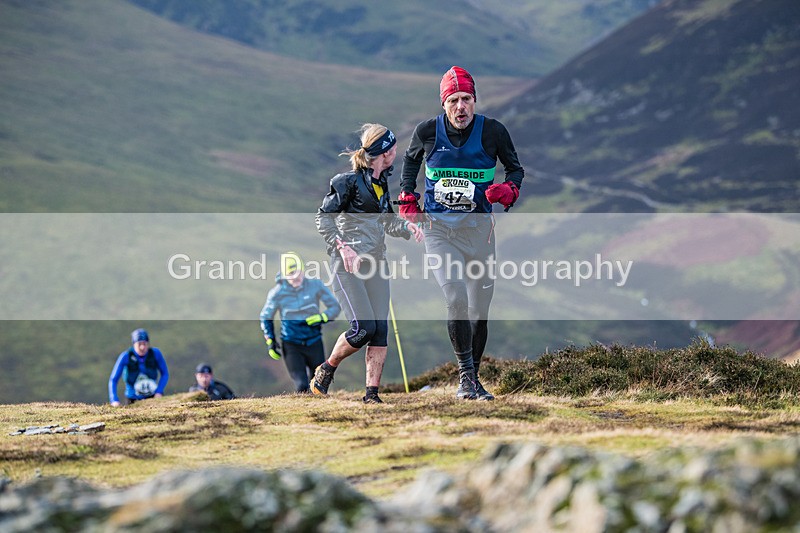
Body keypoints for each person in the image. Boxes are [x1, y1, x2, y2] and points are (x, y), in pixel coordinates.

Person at [398, 66, 525, 401]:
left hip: (479, 233)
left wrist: (508, 190)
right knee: (455, 297)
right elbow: (410, 163)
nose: (460, 107)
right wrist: (408, 197)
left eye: (466, 99)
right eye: (453, 100)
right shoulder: (427, 131)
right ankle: (466, 380)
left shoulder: (493, 132)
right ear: (444, 104)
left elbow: (515, 169)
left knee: (479, 310)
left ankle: (473, 377)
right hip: (440, 231)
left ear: (474, 100)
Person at [314, 123, 425, 403]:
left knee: (380, 329)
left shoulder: (380, 183)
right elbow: (323, 218)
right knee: (363, 328)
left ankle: (371, 395)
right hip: (347, 265)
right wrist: (343, 248)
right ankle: (327, 369)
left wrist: (409, 228)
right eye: (393, 148)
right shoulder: (347, 182)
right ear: (384, 152)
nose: (396, 152)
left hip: (376, 263)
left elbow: (387, 220)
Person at [260, 252, 341, 393]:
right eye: (290, 274)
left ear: (302, 270)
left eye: (297, 272)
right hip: (291, 343)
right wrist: (270, 341)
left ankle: (321, 412)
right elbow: (266, 317)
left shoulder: (315, 285)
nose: (295, 277)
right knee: (301, 384)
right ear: (284, 275)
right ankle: (305, 412)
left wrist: (322, 317)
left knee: (318, 383)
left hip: (314, 341)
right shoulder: (277, 293)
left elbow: (335, 307)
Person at [108, 328, 169, 406]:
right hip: (132, 399)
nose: (142, 347)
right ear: (134, 344)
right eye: (139, 344)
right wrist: (114, 400)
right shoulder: (125, 356)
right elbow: (113, 379)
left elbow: (165, 373)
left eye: (145, 344)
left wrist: (159, 391)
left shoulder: (156, 354)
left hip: (154, 396)